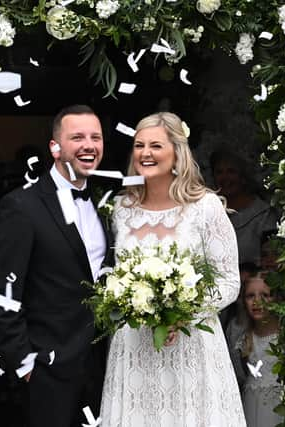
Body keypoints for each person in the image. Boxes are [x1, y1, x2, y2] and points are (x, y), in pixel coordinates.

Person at [100, 112, 246, 426]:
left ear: (177, 152)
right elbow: (117, 273)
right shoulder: (122, 209)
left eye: (155, 145)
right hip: (135, 346)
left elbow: (229, 281)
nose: (145, 153)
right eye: (139, 145)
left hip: (191, 344)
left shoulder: (205, 207)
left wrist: (182, 313)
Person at [0, 105, 111, 427]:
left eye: (95, 137)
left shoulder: (105, 205)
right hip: (46, 372)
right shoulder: (21, 206)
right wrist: (25, 365)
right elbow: (2, 294)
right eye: (77, 137)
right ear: (55, 147)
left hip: (101, 369)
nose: (89, 145)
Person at [231, 271, 282, 427]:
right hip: (251, 408)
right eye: (250, 296)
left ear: (276, 298)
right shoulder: (243, 341)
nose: (257, 301)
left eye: (265, 295)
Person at [210, 149, 277, 267]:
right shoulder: (209, 211)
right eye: (219, 172)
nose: (225, 177)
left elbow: (270, 260)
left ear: (243, 177)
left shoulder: (264, 215)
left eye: (231, 171)